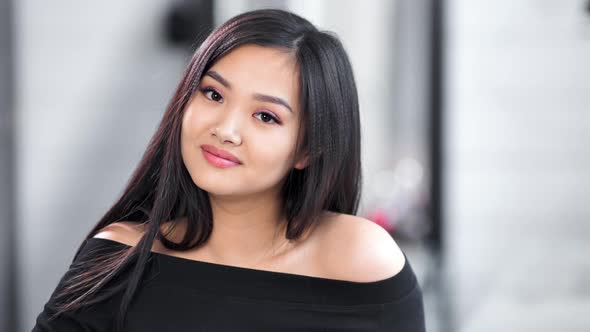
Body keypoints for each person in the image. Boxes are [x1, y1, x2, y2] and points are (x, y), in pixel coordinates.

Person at [32, 8, 426, 332]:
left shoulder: (361, 262)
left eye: (266, 116)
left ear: (307, 150)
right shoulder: (118, 260)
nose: (225, 130)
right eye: (213, 94)